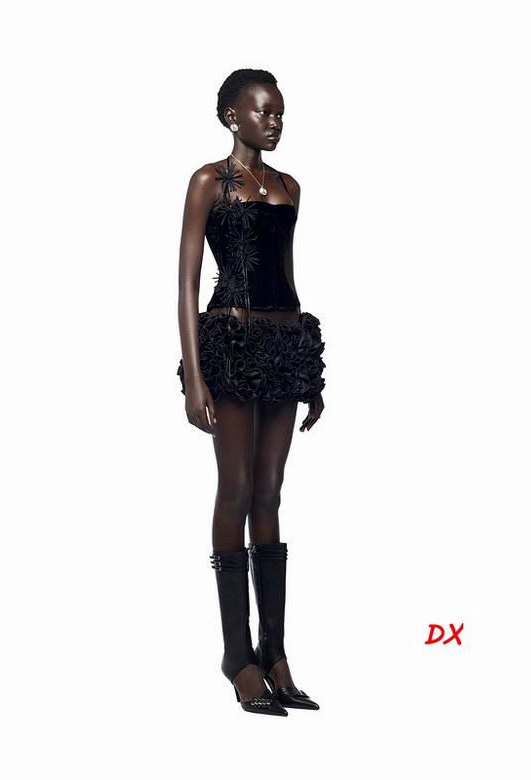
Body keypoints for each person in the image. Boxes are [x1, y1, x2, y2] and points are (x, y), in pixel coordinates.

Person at [176, 68, 325, 716]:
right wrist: (194, 377)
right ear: (232, 116)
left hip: (284, 342)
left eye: (280, 112)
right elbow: (186, 282)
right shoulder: (209, 181)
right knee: (235, 489)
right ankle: (237, 657)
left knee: (270, 492)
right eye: (264, 111)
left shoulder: (290, 187)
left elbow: (288, 274)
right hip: (232, 343)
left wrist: (309, 369)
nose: (275, 122)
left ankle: (275, 653)